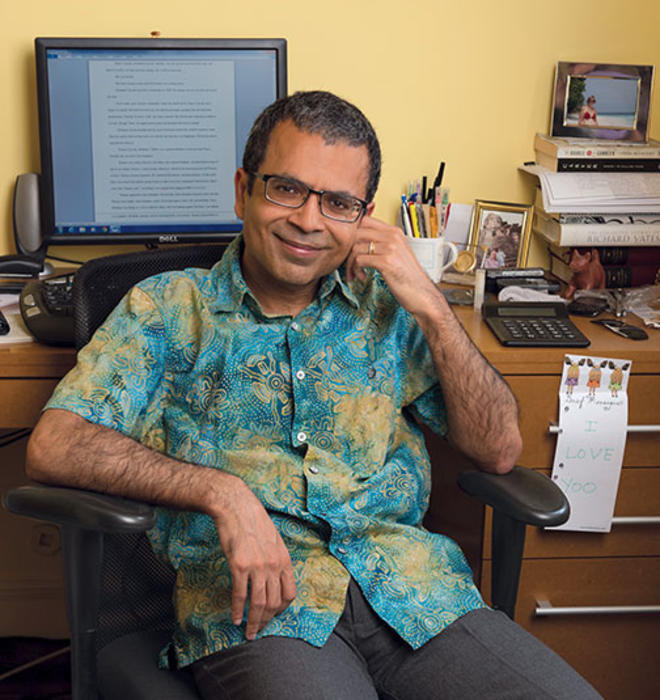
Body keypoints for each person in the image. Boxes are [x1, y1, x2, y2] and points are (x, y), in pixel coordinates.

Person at [25, 91, 602, 700]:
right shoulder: (168, 309)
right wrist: (222, 493)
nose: (308, 219)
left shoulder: (389, 309)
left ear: (364, 216)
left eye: (338, 203)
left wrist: (431, 304)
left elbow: (499, 450)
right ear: (243, 189)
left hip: (416, 597)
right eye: (287, 189)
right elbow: (55, 445)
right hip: (265, 611)